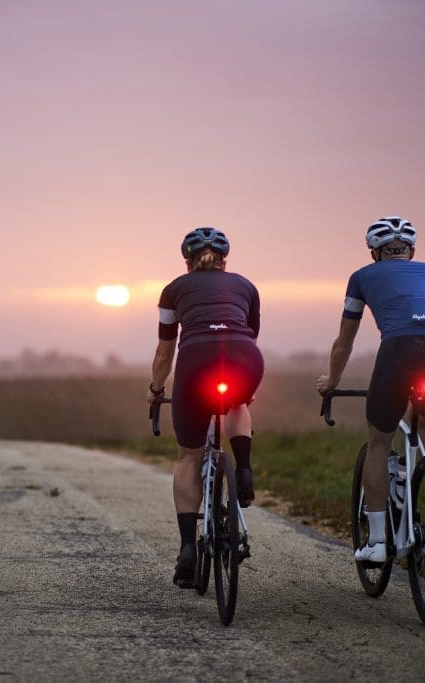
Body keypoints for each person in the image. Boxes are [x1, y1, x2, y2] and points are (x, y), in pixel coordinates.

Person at [316, 216, 425, 563]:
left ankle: (378, 542)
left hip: (398, 351)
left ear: (373, 253)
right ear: (411, 251)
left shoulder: (361, 277)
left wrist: (332, 381)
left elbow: (344, 343)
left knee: (380, 440)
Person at [147, 227, 264, 588]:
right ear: (225, 259)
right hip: (244, 357)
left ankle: (186, 549)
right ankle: (243, 469)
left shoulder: (172, 291)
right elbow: (250, 333)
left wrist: (155, 390)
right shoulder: (246, 286)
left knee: (188, 457)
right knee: (238, 402)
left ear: (187, 260)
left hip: (195, 361)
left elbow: (166, 350)